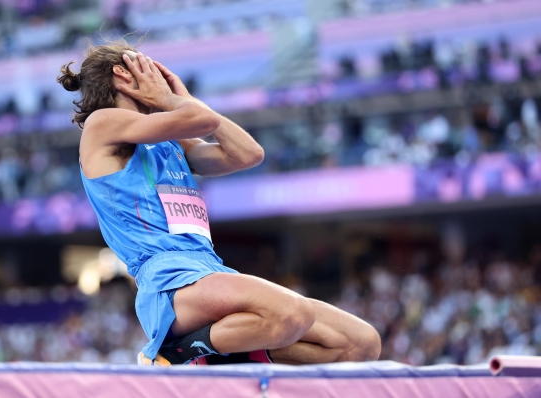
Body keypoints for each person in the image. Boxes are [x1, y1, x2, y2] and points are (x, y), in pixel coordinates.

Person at [57, 39, 381, 366]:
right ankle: (173, 353)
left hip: (210, 270)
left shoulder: (171, 140)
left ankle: (224, 350)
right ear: (123, 75)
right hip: (169, 282)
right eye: (148, 68)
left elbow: (248, 154)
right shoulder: (102, 124)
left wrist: (179, 101)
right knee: (292, 314)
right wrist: (173, 100)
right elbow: (204, 121)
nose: (158, 76)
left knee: (361, 343)